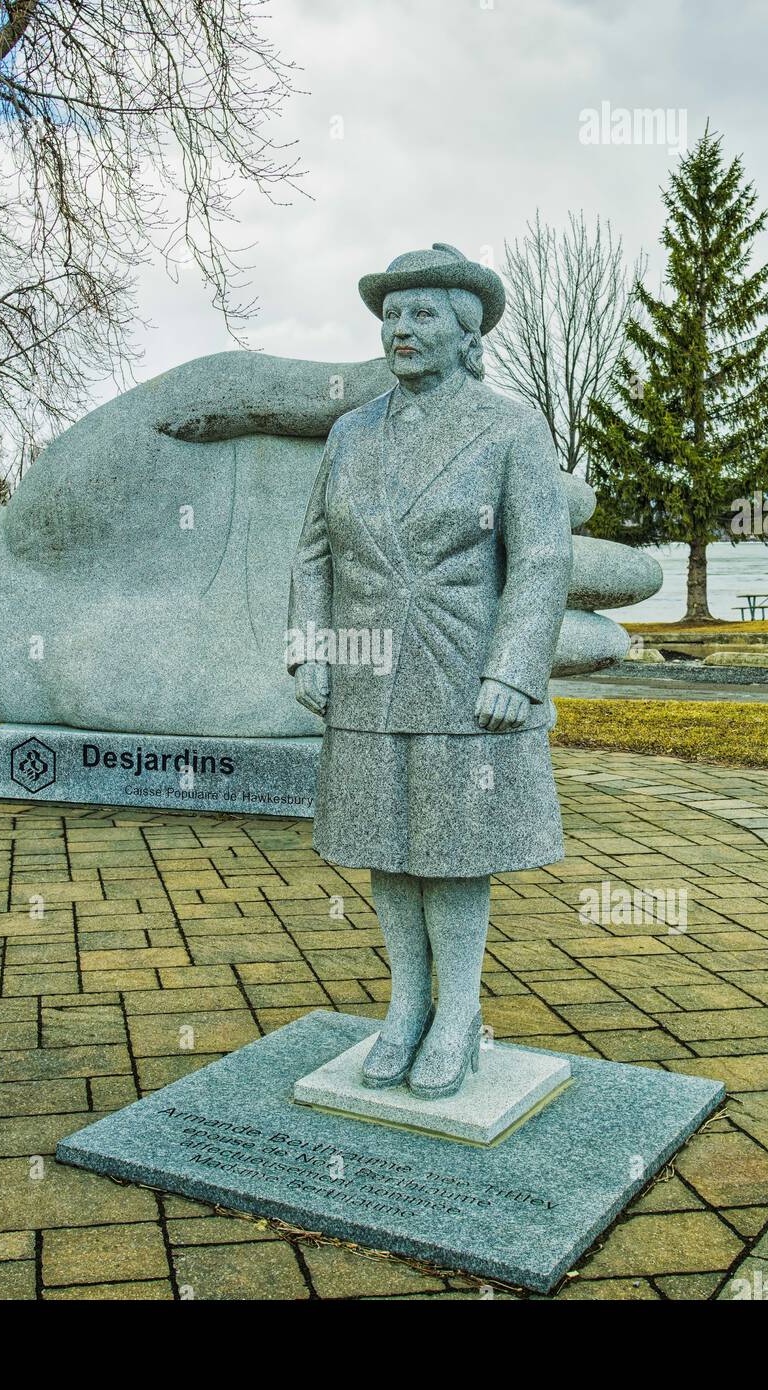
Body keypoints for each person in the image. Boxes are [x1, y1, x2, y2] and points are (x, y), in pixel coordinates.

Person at [287, 243, 571, 1099]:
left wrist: (514, 669)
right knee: (386, 841)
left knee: (451, 848)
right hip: (367, 676)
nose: (400, 330)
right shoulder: (350, 432)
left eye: (422, 316)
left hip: (463, 679)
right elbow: (312, 553)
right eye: (392, 314)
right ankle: (406, 1008)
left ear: (465, 330)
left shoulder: (512, 428)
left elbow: (544, 557)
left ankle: (458, 1018)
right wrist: (309, 647)